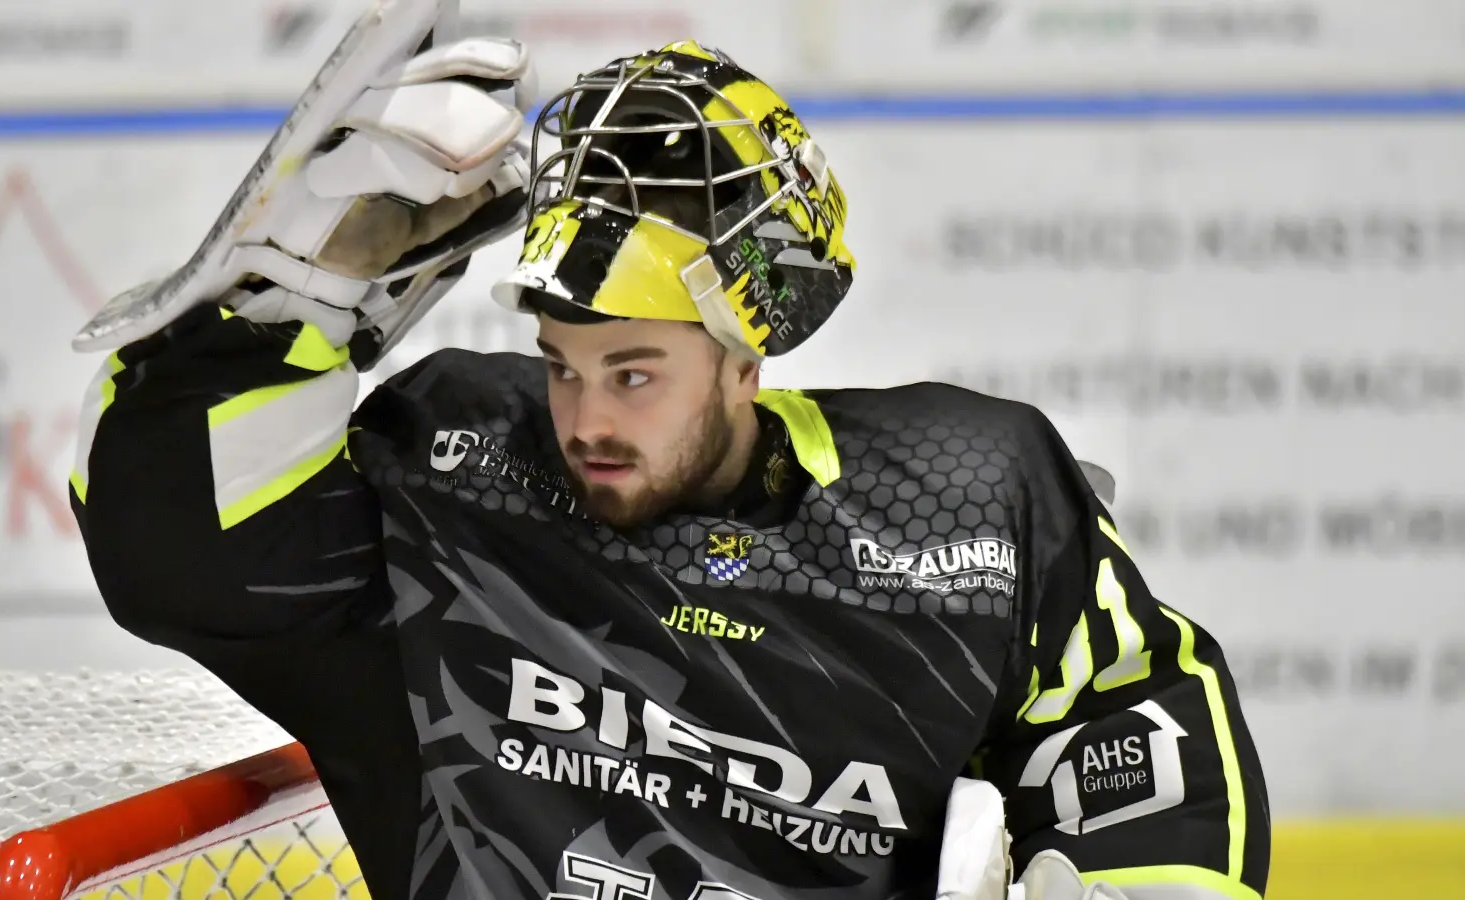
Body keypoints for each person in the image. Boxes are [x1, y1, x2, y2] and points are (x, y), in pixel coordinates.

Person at [68, 30, 1269, 900]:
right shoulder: (457, 479)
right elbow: (174, 551)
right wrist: (302, 293)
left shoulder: (968, 497)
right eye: (559, 362)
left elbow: (1136, 723)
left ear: (744, 356)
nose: (584, 414)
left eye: (633, 372)